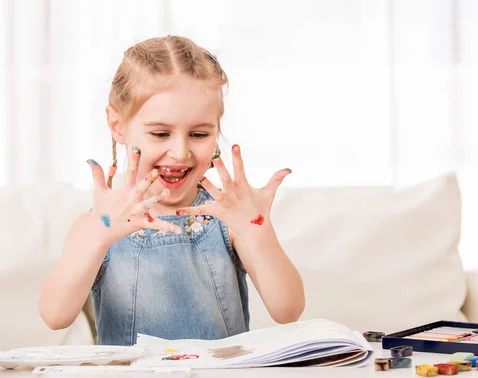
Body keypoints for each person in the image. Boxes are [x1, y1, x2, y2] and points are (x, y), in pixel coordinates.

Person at [38, 35, 305, 346]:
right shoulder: (97, 224)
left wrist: (259, 232)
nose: (180, 152)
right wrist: (98, 236)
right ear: (117, 125)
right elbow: (55, 316)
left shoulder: (228, 220)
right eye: (161, 133)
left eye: (199, 133)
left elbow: (288, 310)